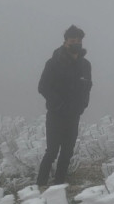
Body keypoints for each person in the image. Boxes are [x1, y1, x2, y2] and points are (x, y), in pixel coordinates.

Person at [36, 25, 92, 187]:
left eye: (79, 41)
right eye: (73, 40)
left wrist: (82, 106)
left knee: (67, 152)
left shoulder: (85, 65)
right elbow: (43, 87)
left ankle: (59, 185)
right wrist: (58, 105)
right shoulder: (53, 63)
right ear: (65, 42)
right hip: (56, 114)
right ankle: (40, 185)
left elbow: (87, 87)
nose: (76, 43)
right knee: (52, 151)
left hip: (74, 115)